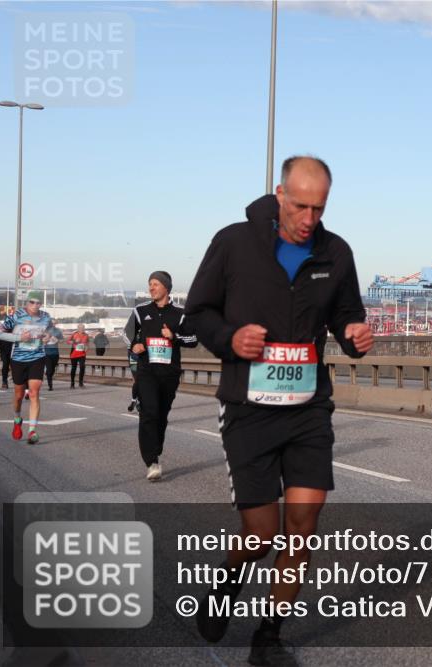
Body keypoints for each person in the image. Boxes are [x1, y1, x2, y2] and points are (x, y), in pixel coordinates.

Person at [185, 155, 372, 665]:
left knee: (303, 524)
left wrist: (356, 335)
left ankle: (269, 633)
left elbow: (346, 316)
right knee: (262, 534)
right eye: (301, 206)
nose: (309, 218)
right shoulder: (234, 243)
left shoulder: (336, 252)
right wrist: (230, 337)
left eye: (319, 207)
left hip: (310, 408)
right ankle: (226, 581)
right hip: (250, 408)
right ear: (279, 194)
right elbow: (197, 312)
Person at [124, 272, 198, 482]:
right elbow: (126, 333)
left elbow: (193, 339)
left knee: (162, 415)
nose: (151, 288)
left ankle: (155, 450)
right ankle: (151, 461)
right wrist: (134, 344)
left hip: (169, 373)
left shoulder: (180, 314)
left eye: (155, 284)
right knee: (150, 412)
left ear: (166, 287)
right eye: (150, 284)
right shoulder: (140, 311)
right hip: (146, 370)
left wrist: (173, 337)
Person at [0, 291, 54, 444]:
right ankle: (17, 419)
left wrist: (48, 337)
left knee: (34, 393)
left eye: (38, 302)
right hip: (18, 359)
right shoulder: (16, 316)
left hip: (37, 358)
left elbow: (50, 333)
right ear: (27, 302)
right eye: (32, 302)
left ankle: (32, 431)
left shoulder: (46, 317)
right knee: (18, 395)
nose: (35, 305)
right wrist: (19, 338)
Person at [68, 323, 89, 388]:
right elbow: (68, 341)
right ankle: (72, 383)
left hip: (82, 354)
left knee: (82, 367)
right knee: (73, 368)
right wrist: (74, 341)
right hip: (74, 353)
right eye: (81, 328)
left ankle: (81, 383)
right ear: (78, 328)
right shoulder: (74, 334)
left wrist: (87, 349)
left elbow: (87, 343)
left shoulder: (86, 335)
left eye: (83, 328)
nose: (82, 329)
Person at [44, 319, 63, 391]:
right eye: (52, 323)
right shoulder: (44, 330)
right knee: (49, 369)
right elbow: (40, 341)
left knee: (52, 369)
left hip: (55, 353)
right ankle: (50, 385)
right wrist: (46, 340)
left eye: (55, 323)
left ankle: (48, 374)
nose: (53, 324)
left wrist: (57, 340)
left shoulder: (58, 331)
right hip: (46, 353)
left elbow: (62, 340)